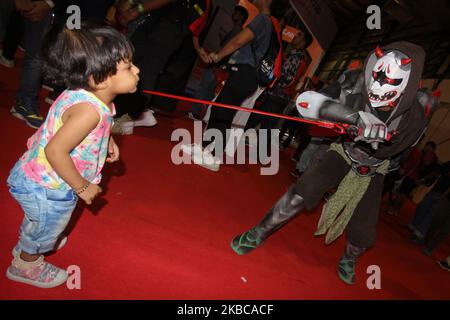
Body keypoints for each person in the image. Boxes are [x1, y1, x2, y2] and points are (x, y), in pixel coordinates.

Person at [230, 42, 436, 285]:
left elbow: (405, 147)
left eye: (391, 83)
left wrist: (383, 140)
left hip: (376, 167)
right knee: (302, 191)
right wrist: (352, 117)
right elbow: (306, 102)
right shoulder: (356, 81)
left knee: (364, 229)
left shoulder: (420, 109)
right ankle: (259, 231)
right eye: (378, 77)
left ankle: (349, 259)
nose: (379, 86)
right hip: (345, 150)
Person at [5, 24, 139, 288]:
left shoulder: (85, 96)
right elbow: (55, 151)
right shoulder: (89, 112)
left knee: (41, 220)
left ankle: (36, 231)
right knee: (48, 227)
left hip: (37, 176)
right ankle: (26, 262)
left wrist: (107, 138)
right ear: (99, 79)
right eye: (128, 67)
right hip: (50, 187)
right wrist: (82, 186)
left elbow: (78, 128)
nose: (137, 70)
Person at [182, 0, 285, 172]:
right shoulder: (271, 24)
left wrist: (218, 55)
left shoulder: (263, 20)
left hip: (245, 74)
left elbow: (239, 41)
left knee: (223, 113)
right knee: (221, 111)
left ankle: (213, 155)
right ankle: (205, 148)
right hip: (249, 77)